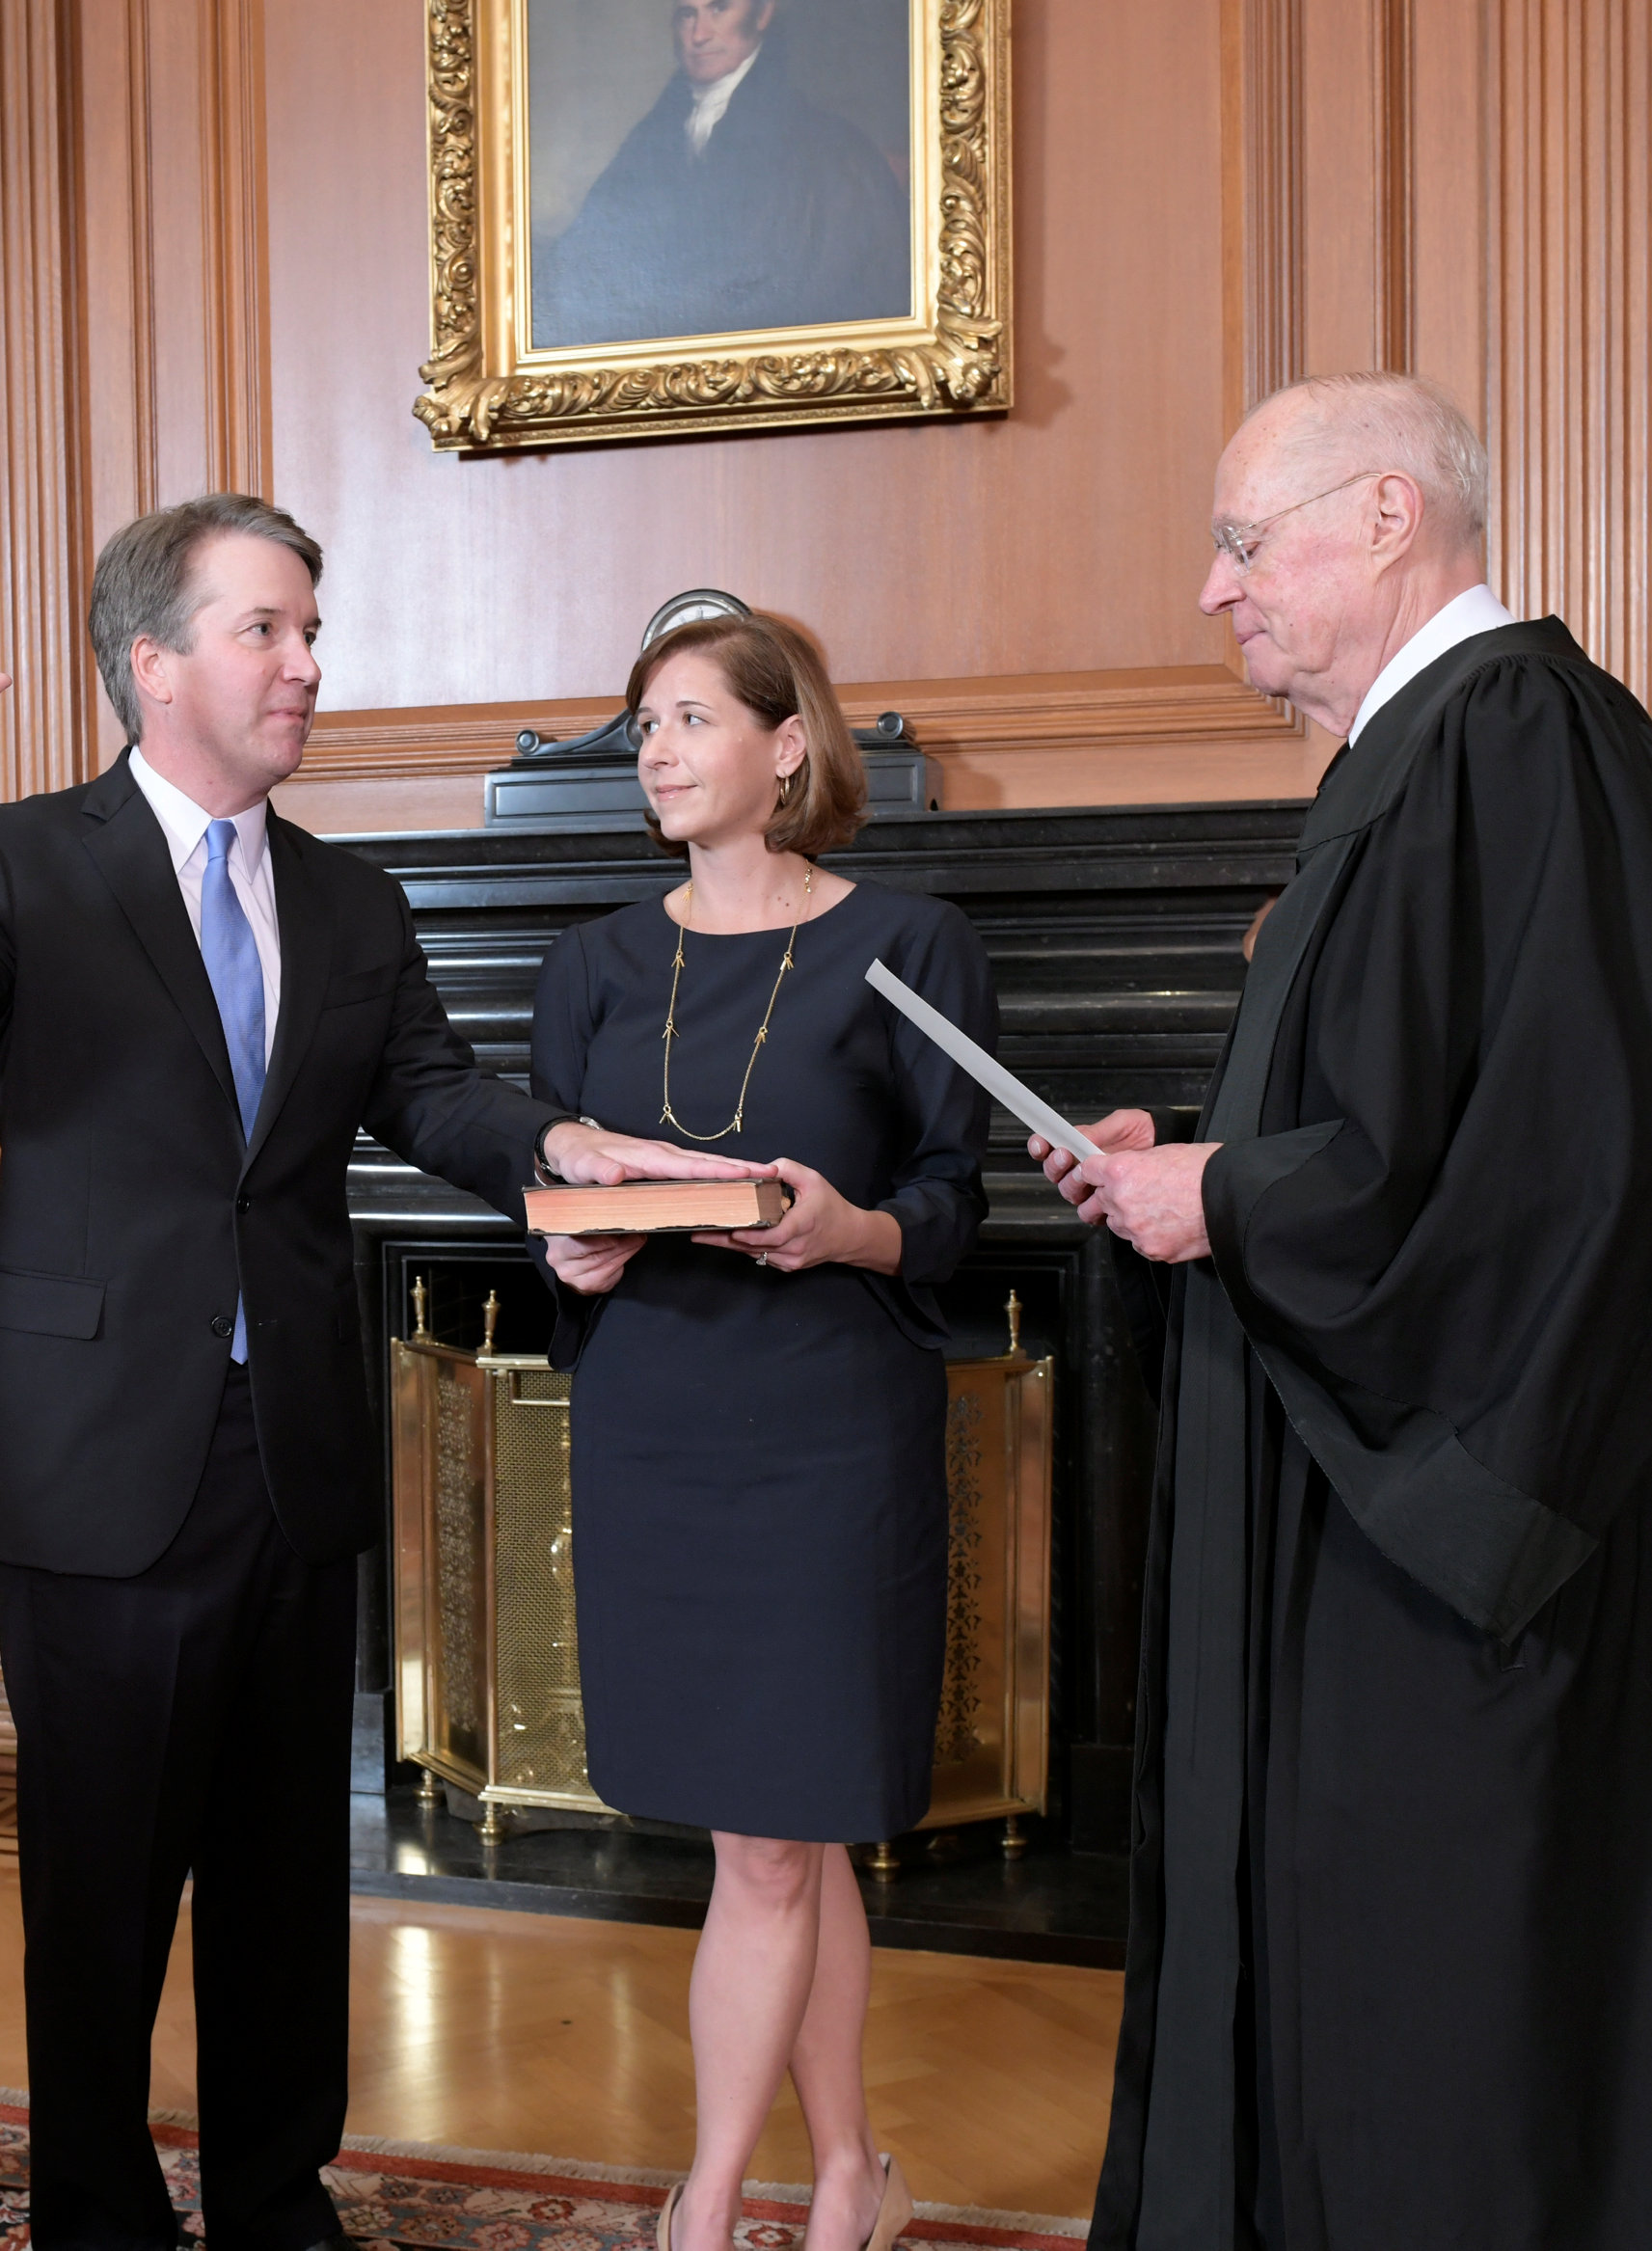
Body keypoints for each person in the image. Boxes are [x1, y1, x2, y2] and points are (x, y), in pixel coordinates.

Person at [0, 496, 742, 2251]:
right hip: (94, 1455)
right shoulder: (21, 858)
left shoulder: (347, 891)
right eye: (270, 629)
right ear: (153, 662)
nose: (310, 661)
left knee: (286, 1875)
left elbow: (433, 1094)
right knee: (100, 1880)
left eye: (315, 627)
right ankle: (94, 2206)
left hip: (294, 1446)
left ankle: (274, 2199)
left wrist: (562, 1150)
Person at [1043, 372, 1652, 2248]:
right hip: (1364, 1497)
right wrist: (1211, 1158)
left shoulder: (1517, 742)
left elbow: (1551, 1168)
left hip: (1461, 1541)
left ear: (1385, 517)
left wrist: (1227, 1192)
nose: (1214, 590)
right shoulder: (1422, 760)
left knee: (1445, 1986)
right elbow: (1398, 1117)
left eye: (1243, 542)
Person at [530, 611, 989, 2251]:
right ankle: (851, 2170)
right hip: (656, 1419)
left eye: (691, 717)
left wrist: (838, 1225)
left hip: (826, 1431)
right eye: (641, 723)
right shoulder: (588, 962)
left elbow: (955, 1201)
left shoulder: (907, 941)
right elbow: (565, 1199)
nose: (653, 749)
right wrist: (568, 1245)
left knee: (777, 1845)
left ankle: (712, 2205)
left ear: (789, 745)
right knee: (784, 1832)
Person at [532, 0, 907, 350]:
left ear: (762, 14)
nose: (699, 35)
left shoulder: (828, 152)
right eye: (686, 14)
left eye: (718, 8)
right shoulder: (654, 135)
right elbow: (584, 262)